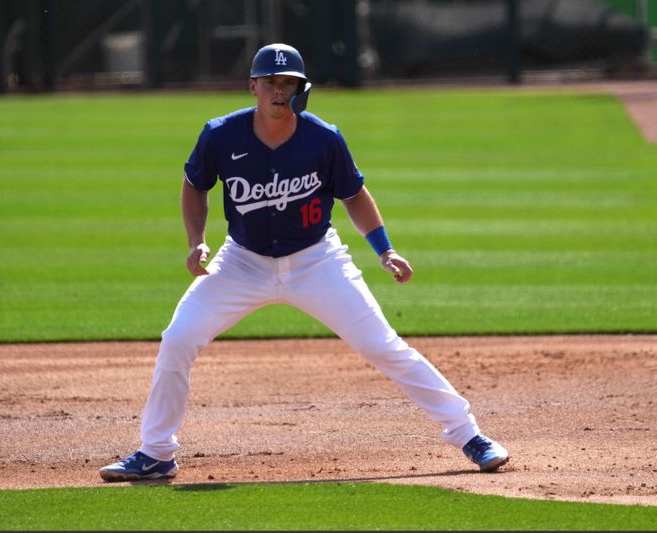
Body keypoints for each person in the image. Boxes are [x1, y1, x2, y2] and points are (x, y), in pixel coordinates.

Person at [99, 43, 509, 482]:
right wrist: (196, 241)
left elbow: (353, 196)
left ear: (301, 88)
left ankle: (470, 435)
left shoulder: (323, 138)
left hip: (318, 261)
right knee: (178, 338)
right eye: (272, 83)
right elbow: (194, 184)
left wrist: (385, 250)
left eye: (288, 83)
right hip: (241, 263)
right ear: (253, 86)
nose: (280, 91)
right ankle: (157, 453)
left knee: (383, 347)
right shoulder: (220, 134)